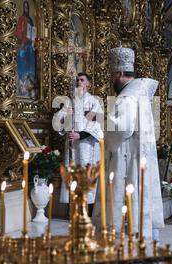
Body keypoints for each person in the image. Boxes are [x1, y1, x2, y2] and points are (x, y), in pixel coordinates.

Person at [93, 47, 164, 241]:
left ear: (119, 73)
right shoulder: (141, 93)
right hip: (138, 160)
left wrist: (100, 120)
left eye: (112, 75)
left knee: (125, 213)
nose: (111, 80)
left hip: (126, 162)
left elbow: (122, 129)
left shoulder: (127, 97)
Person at [54, 73, 103, 217]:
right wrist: (65, 115)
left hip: (87, 147)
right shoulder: (69, 102)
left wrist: (80, 135)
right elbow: (58, 123)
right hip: (72, 148)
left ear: (88, 83)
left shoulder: (93, 102)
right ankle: (72, 212)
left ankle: (88, 213)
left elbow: (97, 125)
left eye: (82, 80)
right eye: (77, 80)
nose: (78, 82)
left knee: (87, 176)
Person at [15, 1, 37, 97]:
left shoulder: (30, 20)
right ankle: (21, 86)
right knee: (22, 63)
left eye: (27, 7)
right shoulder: (21, 19)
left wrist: (33, 40)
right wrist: (22, 40)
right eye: (25, 7)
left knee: (30, 65)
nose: (26, 9)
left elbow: (32, 31)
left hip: (29, 46)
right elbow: (19, 31)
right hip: (23, 45)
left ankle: (30, 86)